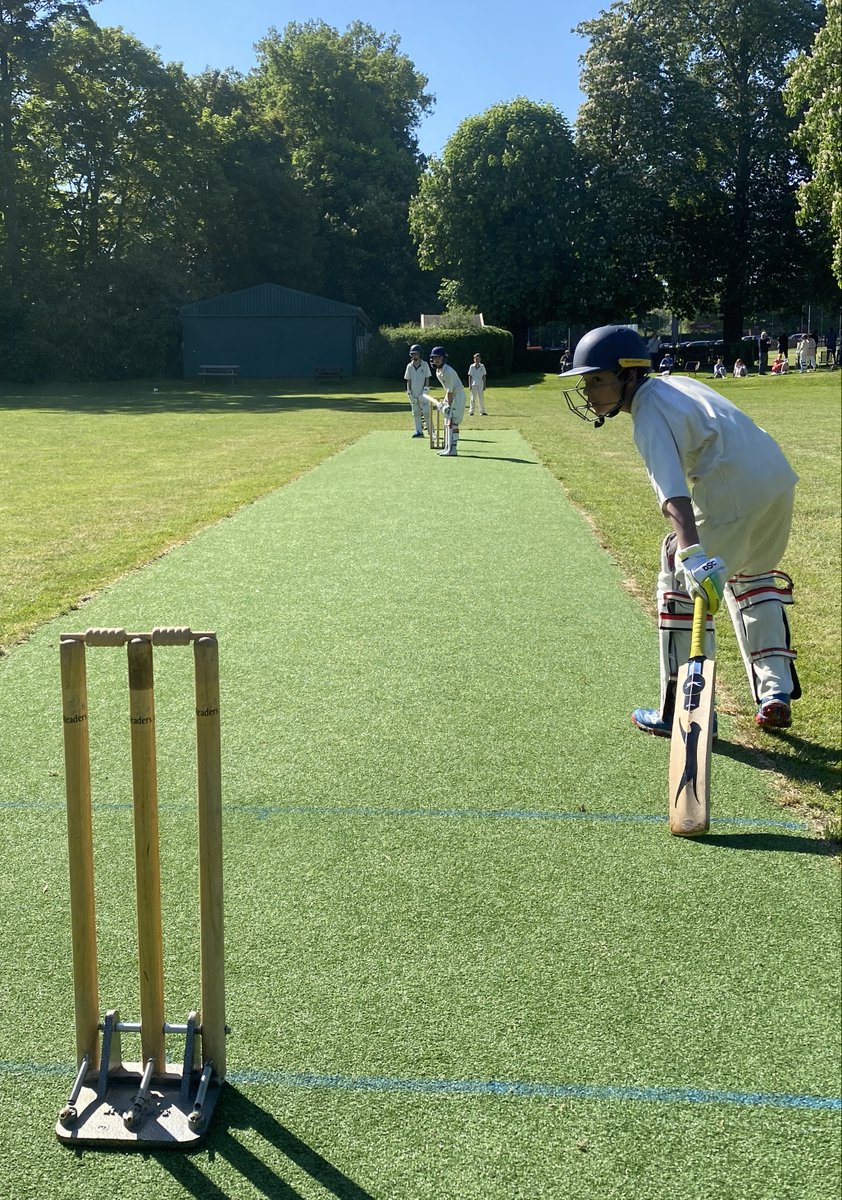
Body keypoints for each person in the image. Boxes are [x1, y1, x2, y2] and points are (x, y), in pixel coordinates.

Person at [559, 324, 800, 732]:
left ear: (629, 374)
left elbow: (673, 495)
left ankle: (682, 711)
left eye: (597, 379)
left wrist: (691, 554)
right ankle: (774, 691)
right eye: (587, 381)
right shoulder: (678, 383)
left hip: (733, 490)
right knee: (752, 578)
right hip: (777, 479)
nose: (589, 391)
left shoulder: (649, 413)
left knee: (677, 572)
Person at [429, 346, 467, 457]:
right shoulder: (438, 371)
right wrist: (445, 403)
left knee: (453, 421)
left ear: (443, 358)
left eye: (439, 357)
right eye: (434, 357)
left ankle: (453, 448)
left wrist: (448, 406)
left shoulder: (448, 371)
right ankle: (447, 447)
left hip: (458, 396)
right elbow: (447, 390)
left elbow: (451, 391)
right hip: (450, 395)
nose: (436, 359)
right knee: (447, 421)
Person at [404, 344, 432, 438]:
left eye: (416, 354)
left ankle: (431, 432)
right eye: (412, 354)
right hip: (414, 394)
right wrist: (409, 393)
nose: (414, 356)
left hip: (423, 393)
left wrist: (425, 391)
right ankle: (419, 431)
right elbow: (408, 380)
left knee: (426, 413)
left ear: (420, 354)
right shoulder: (409, 366)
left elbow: (427, 378)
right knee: (415, 413)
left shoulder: (425, 364)